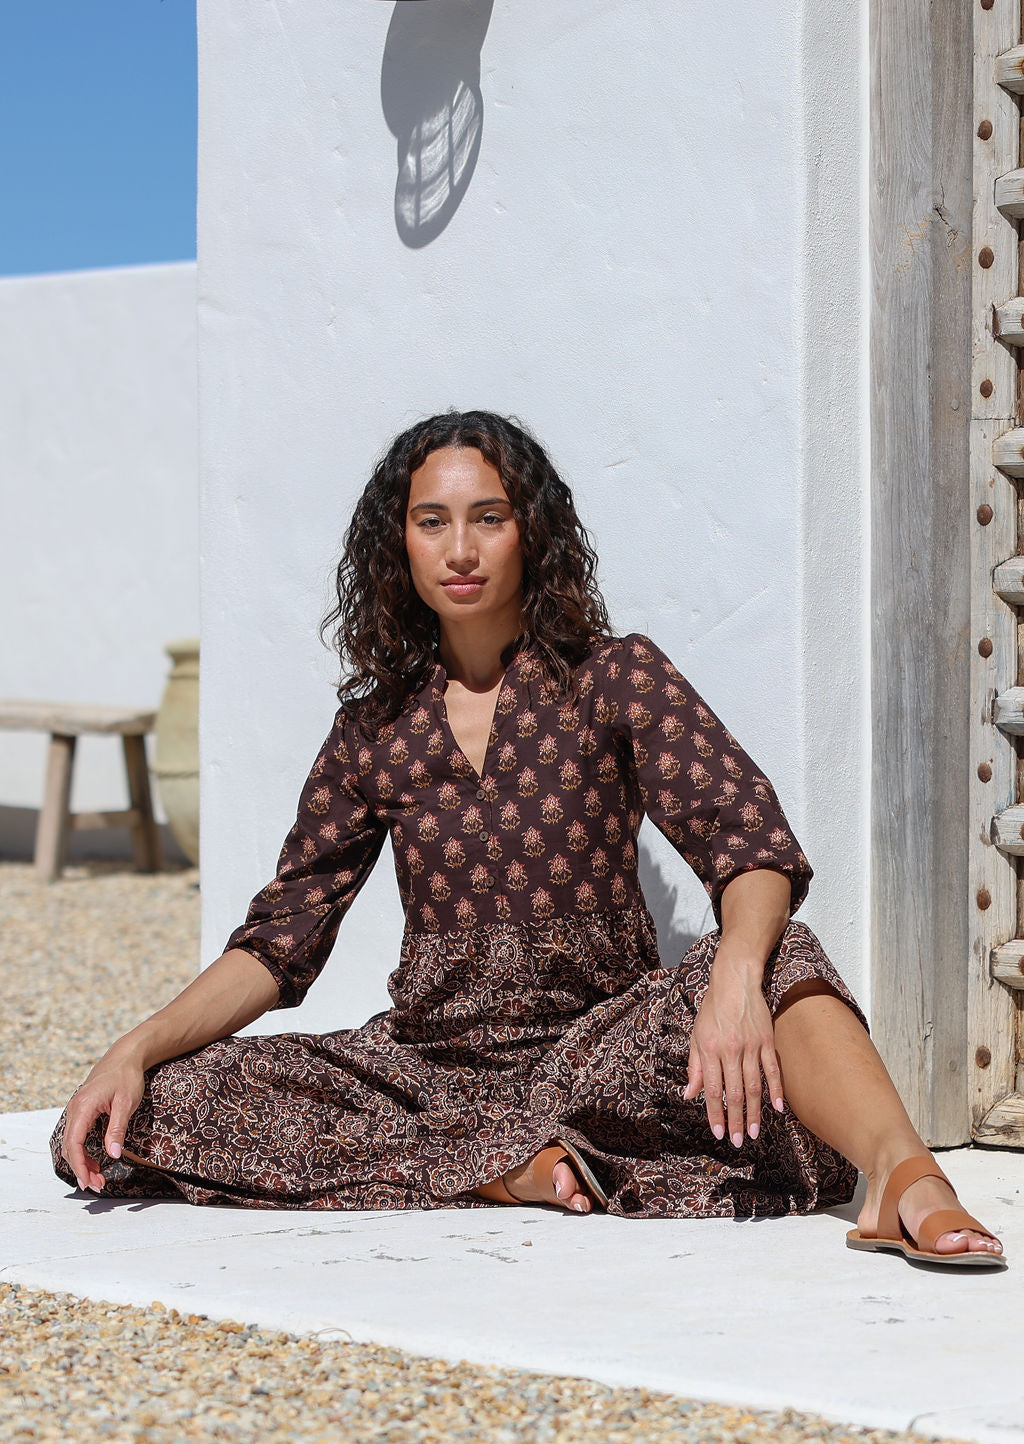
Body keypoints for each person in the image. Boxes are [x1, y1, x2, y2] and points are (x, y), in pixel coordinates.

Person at [52, 410, 1004, 1267]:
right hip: (429, 1070)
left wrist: (731, 977)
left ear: (530, 534)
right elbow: (280, 941)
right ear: (401, 546)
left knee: (779, 955)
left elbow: (748, 842)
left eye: (489, 518)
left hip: (603, 1053)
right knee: (156, 1107)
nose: (460, 548)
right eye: (433, 522)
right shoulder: (372, 727)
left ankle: (901, 1179)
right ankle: (504, 1164)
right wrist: (135, 1047)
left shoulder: (613, 676)